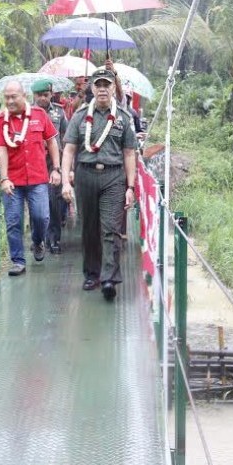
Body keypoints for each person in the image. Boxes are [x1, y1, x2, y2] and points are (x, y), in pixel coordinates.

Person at [60, 68, 137, 300]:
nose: (102, 88)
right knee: (89, 229)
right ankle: (92, 274)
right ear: (92, 88)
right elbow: (69, 150)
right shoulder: (80, 116)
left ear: (113, 88)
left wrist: (130, 187)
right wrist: (66, 181)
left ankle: (109, 278)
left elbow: (130, 153)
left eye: (107, 84)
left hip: (113, 178)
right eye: (98, 84)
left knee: (111, 228)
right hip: (85, 175)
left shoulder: (123, 117)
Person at [0, 80, 62, 276]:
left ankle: (38, 241)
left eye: (14, 96)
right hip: (13, 180)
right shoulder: (0, 121)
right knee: (13, 220)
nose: (10, 101)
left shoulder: (40, 115)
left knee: (41, 217)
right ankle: (18, 261)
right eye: (7, 97)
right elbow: (2, 151)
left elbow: (52, 142)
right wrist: (4, 178)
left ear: (24, 96)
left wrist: (56, 169)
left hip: (38, 178)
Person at [31, 79, 68, 254]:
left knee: (54, 202)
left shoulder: (59, 113)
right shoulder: (26, 113)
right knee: (35, 204)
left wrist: (66, 168)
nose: (43, 98)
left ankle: (54, 240)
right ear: (34, 95)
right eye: (39, 95)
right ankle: (38, 239)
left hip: (54, 164)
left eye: (46, 95)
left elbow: (66, 139)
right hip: (33, 163)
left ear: (51, 94)